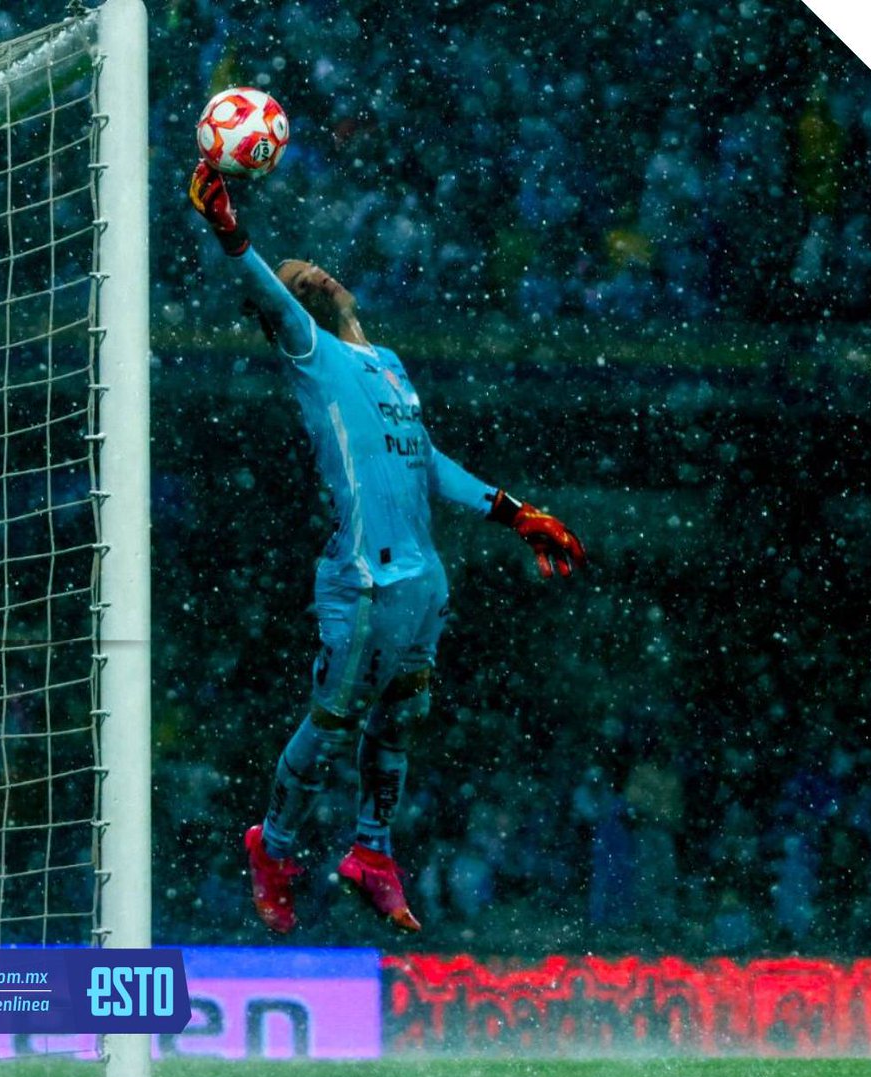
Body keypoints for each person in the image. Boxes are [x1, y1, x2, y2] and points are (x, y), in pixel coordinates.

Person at [189, 161, 587, 935]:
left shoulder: (389, 368)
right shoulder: (314, 354)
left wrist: (516, 514)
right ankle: (272, 847)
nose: (316, 271)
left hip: (422, 578)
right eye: (304, 274)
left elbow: (429, 462)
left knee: (402, 712)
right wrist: (232, 234)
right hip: (364, 580)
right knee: (336, 716)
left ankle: (370, 853)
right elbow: (267, 290)